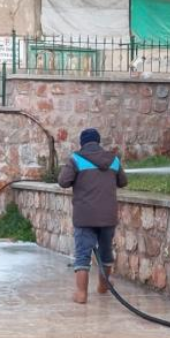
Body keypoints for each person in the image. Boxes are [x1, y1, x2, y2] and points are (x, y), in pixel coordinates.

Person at [58, 128, 128, 304]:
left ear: (82, 143)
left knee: (83, 254)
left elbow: (63, 182)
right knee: (105, 253)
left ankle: (81, 294)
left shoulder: (76, 159)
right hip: (107, 216)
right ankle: (103, 287)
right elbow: (123, 182)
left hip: (85, 217)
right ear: (98, 142)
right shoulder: (113, 160)